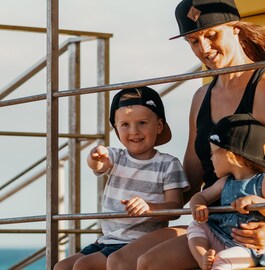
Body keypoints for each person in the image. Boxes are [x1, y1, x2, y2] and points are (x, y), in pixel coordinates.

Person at [107, 0, 265, 269]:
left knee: (149, 264)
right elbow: (192, 172)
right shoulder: (201, 96)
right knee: (118, 261)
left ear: (235, 28)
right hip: (208, 221)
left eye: (212, 35)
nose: (204, 49)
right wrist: (135, 182)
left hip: (250, 228)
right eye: (194, 41)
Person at [53, 86, 189, 270]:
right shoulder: (116, 156)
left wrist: (150, 208)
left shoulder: (168, 164)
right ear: (116, 129)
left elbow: (175, 208)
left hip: (139, 243)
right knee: (61, 267)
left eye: (142, 123)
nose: (133, 131)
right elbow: (100, 164)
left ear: (158, 126)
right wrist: (95, 157)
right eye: (125, 125)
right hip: (107, 240)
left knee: (84, 266)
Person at [187, 113, 265, 270]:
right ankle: (202, 257)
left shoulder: (264, 181)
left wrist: (255, 201)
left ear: (230, 155)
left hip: (251, 246)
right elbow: (200, 196)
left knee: (221, 262)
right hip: (225, 236)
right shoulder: (226, 182)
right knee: (196, 226)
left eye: (214, 153)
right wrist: (198, 205)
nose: (211, 158)